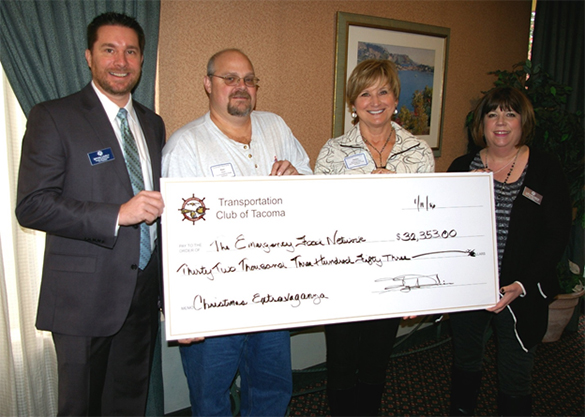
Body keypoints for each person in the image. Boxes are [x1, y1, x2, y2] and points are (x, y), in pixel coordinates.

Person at [15, 12, 165, 416]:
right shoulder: (53, 117)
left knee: (128, 404)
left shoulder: (152, 123)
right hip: (83, 299)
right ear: (88, 56)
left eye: (131, 51)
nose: (121, 61)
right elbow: (32, 205)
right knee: (80, 407)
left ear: (141, 59)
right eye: (109, 50)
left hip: (141, 293)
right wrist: (116, 214)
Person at [162, 48, 312, 416]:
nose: (240, 87)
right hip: (213, 303)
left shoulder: (275, 126)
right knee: (211, 399)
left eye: (248, 79)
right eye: (229, 78)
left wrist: (299, 179)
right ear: (208, 84)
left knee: (272, 391)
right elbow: (175, 236)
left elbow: (311, 188)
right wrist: (183, 310)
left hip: (273, 293)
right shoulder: (186, 146)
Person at [314, 58, 435, 416]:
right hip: (344, 276)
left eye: (383, 91)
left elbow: (428, 223)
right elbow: (318, 219)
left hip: (392, 276)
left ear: (396, 97)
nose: (375, 100)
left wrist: (419, 289)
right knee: (340, 363)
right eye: (365, 93)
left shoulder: (418, 152)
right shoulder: (333, 152)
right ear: (353, 104)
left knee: (376, 363)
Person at [447, 86, 572, 416]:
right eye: (492, 114)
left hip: (521, 291)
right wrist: (462, 193)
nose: (500, 122)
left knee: (517, 375)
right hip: (469, 291)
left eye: (510, 114)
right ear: (482, 124)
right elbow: (442, 229)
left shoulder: (546, 169)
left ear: (522, 121)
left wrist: (521, 285)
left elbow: (556, 235)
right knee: (465, 365)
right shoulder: (461, 167)